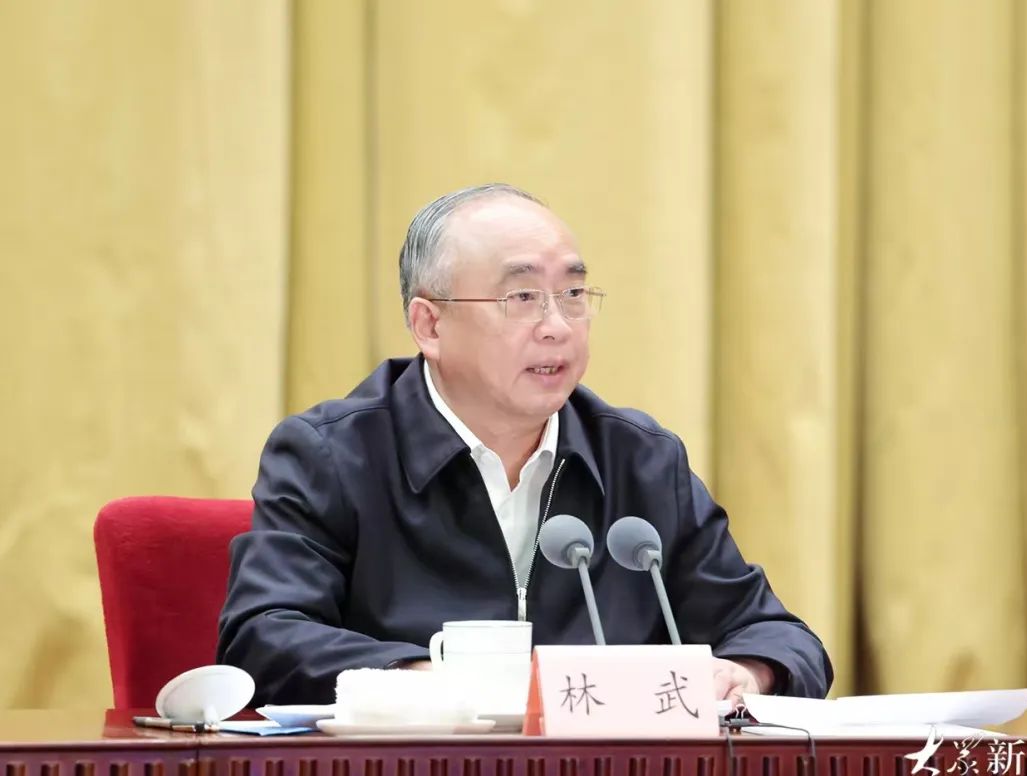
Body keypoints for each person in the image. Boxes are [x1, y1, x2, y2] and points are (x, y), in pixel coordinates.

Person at [217, 183, 833, 706]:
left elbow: (779, 636)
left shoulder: (641, 460)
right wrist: (428, 681)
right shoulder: (332, 455)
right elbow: (264, 638)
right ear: (430, 325)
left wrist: (747, 672)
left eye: (573, 295)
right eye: (522, 298)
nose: (557, 326)